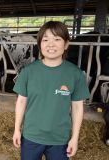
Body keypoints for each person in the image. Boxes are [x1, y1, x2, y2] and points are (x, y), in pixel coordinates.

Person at [12, 21, 90, 160]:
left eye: (57, 39)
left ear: (66, 44)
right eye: (45, 39)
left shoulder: (75, 74)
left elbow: (77, 107)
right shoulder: (28, 72)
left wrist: (75, 138)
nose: (51, 44)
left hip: (60, 140)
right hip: (31, 137)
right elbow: (21, 101)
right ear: (40, 44)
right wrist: (17, 129)